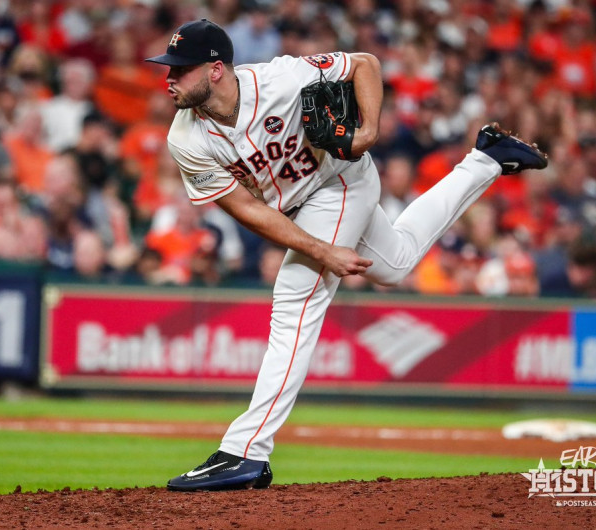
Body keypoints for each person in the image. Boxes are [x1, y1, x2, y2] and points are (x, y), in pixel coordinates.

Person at [146, 19, 547, 492]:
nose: (169, 79)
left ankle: (245, 451)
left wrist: (367, 133)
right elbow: (246, 209)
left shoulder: (281, 78)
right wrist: (320, 248)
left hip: (341, 181)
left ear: (216, 70)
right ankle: (488, 158)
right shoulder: (185, 138)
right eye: (169, 69)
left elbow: (364, 65)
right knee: (394, 264)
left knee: (295, 299)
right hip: (298, 206)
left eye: (180, 69)